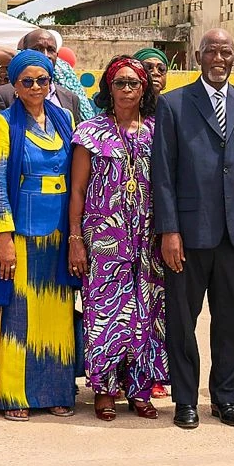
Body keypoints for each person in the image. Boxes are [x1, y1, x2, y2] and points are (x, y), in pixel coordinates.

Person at [151, 29, 234, 429]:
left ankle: (225, 398)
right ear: (196, 57)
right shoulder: (173, 104)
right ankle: (186, 400)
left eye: (226, 52)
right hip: (187, 233)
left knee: (233, 320)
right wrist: (169, 230)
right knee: (183, 321)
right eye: (211, 52)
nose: (218, 58)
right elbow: (163, 174)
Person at [69, 55, 166, 421]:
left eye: (134, 83)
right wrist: (75, 238)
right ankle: (105, 389)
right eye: (120, 83)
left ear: (145, 89)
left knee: (147, 312)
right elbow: (77, 190)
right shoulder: (90, 132)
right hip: (103, 238)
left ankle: (140, 389)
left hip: (147, 238)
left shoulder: (156, 131)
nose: (127, 89)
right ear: (108, 88)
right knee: (106, 313)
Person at [0, 49, 80, 420]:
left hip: (58, 232)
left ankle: (56, 390)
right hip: (21, 232)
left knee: (57, 312)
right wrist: (3, 238)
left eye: (43, 80)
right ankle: (16, 394)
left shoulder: (64, 117)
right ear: (14, 84)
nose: (36, 87)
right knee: (20, 315)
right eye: (28, 81)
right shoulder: (1, 122)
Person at [0, 29, 83, 124]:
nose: (45, 55)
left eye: (51, 50)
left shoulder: (70, 99)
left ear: (57, 55)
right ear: (23, 53)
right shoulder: (3, 96)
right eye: (37, 49)